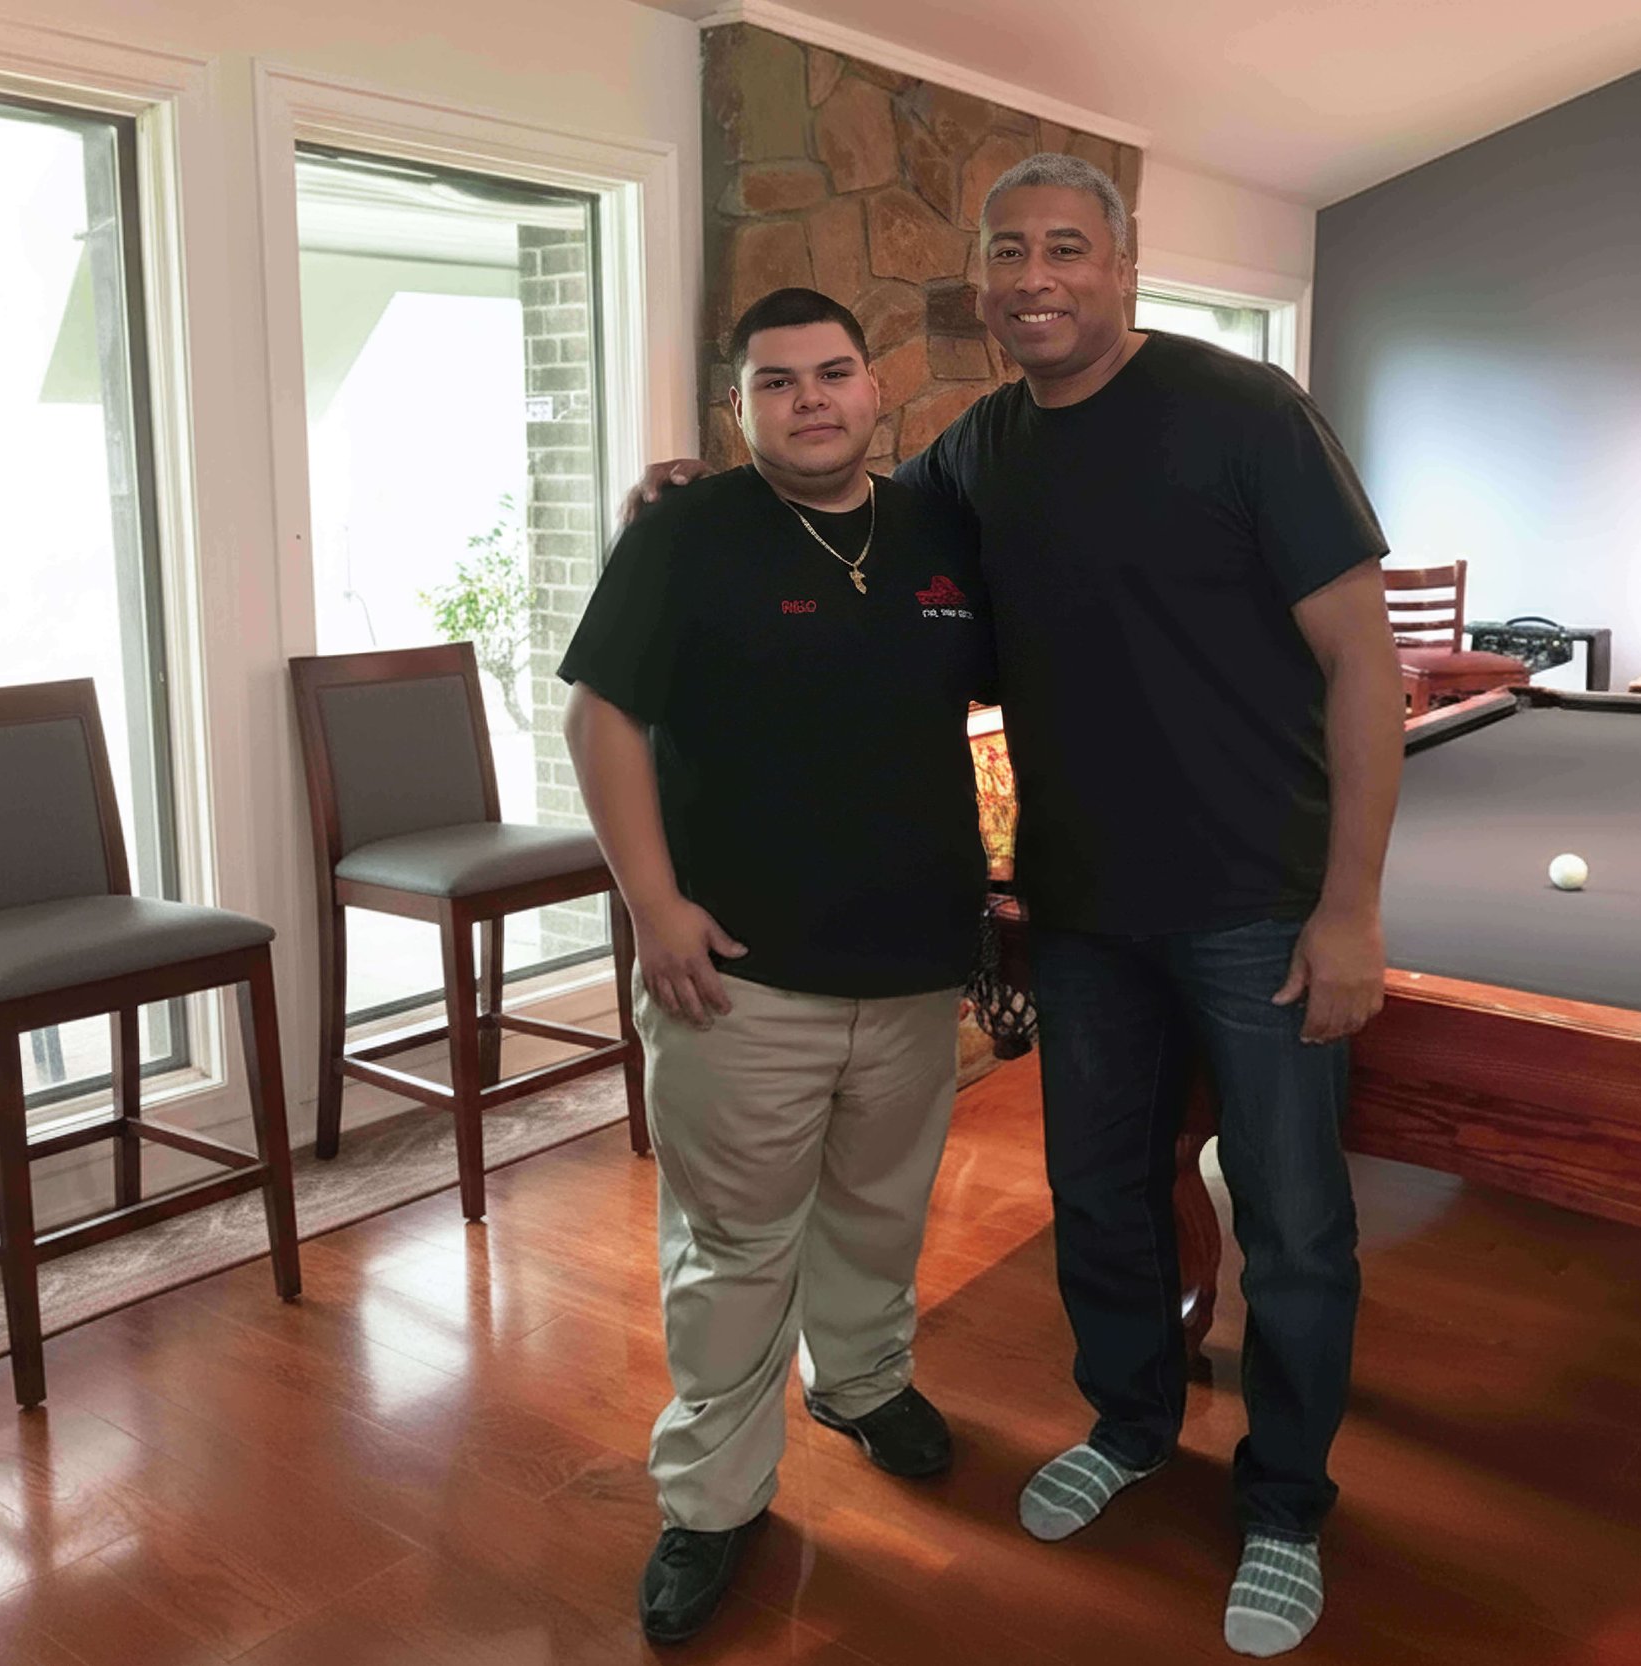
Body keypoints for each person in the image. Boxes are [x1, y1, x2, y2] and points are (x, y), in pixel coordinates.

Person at [632, 155, 1403, 1658]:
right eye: (1008, 252)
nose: (1035, 276)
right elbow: (841, 527)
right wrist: (692, 497)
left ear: (1125, 265)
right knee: (1102, 1191)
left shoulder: (1246, 412)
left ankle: (1286, 1502)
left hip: (1259, 901)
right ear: (979, 280)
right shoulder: (983, 447)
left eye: (1068, 248)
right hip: (1083, 908)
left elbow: (1365, 661)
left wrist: (1351, 907)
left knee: (1296, 1224)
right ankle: (1128, 1421)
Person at [560, 286, 993, 1647]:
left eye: (833, 372)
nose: (811, 398)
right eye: (778, 381)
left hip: (914, 962)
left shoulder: (938, 528)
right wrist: (654, 906)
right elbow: (601, 716)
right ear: (737, 408)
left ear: (876, 391)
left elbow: (996, 689)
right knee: (735, 1245)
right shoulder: (685, 534)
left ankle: (860, 1382)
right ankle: (712, 1499)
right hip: (738, 974)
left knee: (879, 1204)